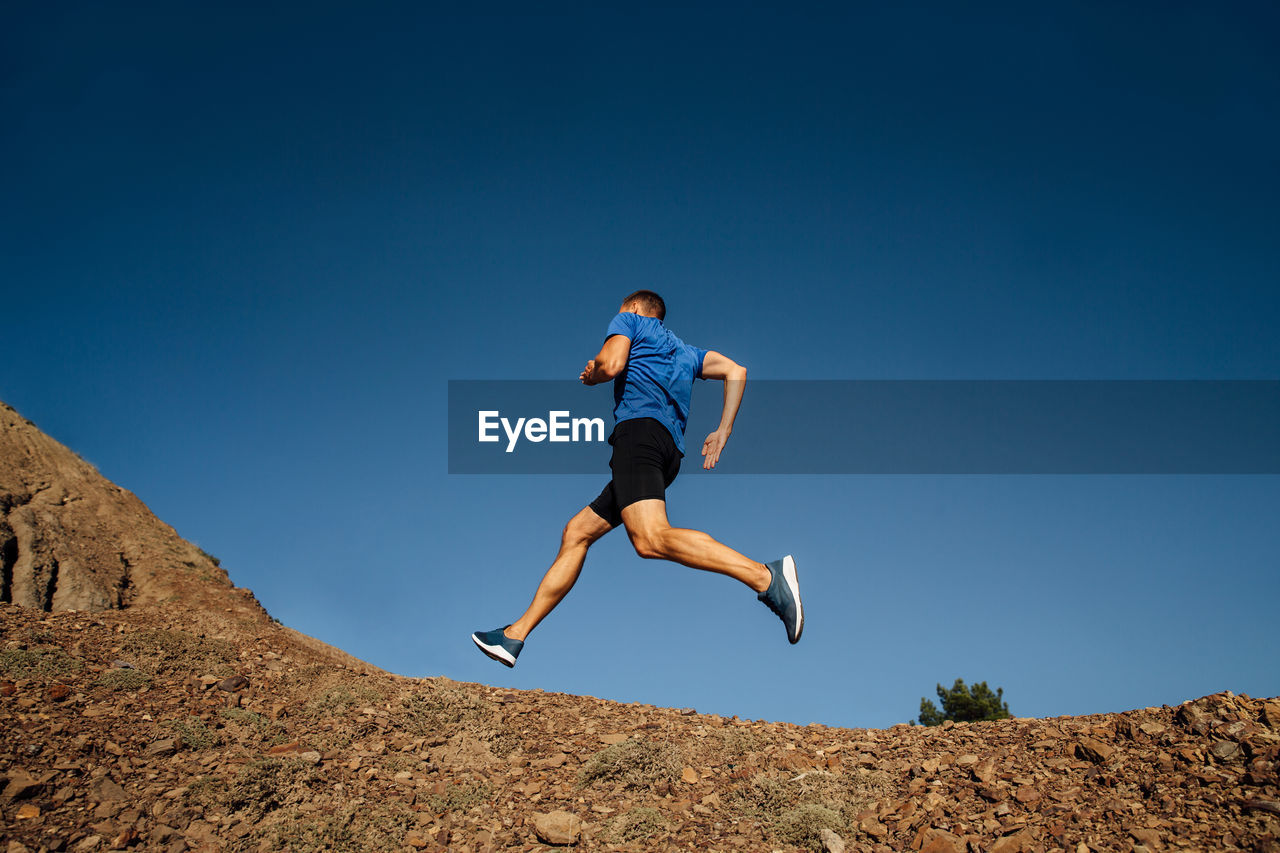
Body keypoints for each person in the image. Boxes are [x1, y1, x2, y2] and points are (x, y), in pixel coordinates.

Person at [472, 290, 802, 666]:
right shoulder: (687, 352)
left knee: (650, 539)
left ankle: (765, 578)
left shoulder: (629, 321)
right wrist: (723, 430)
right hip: (666, 452)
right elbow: (736, 371)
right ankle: (515, 635)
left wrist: (595, 373)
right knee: (577, 532)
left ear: (632, 308)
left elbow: (611, 364)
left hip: (638, 437)